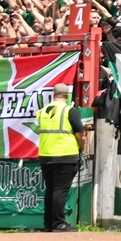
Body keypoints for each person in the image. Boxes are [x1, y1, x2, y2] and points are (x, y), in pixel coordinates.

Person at [33, 86, 90, 232]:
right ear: (67, 95)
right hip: (65, 154)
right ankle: (58, 224)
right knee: (60, 189)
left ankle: (48, 224)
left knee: (50, 189)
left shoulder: (42, 112)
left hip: (46, 155)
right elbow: (80, 134)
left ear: (54, 95)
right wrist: (81, 149)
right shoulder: (69, 111)